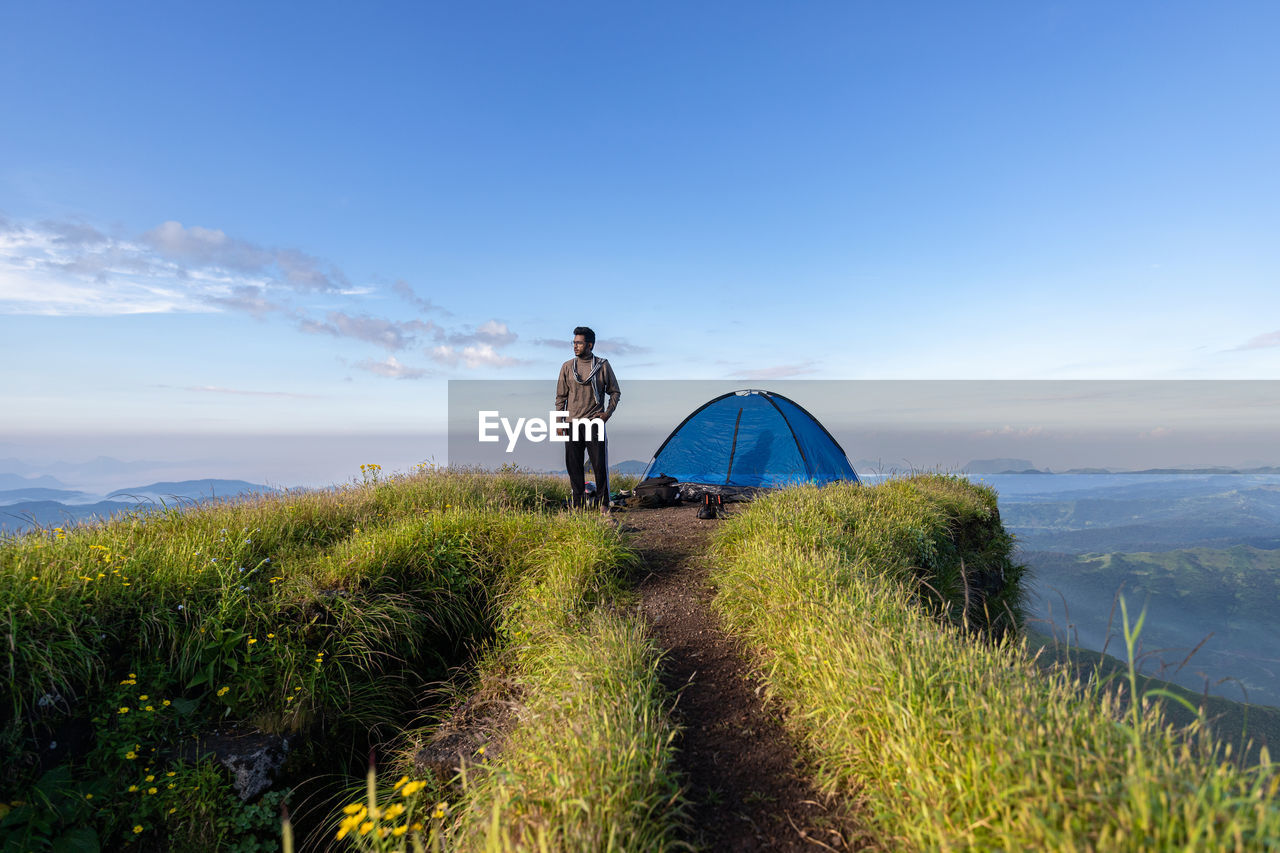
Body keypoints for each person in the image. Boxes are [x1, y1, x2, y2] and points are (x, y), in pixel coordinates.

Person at [555, 326, 620, 512]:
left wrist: (607, 413)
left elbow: (615, 391)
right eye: (574, 342)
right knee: (574, 467)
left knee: (599, 466)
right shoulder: (567, 367)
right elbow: (561, 397)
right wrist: (559, 422)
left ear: (589, 345)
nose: (575, 346)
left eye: (579, 343)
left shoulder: (602, 365)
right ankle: (578, 506)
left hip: (594, 423)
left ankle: (603, 505)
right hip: (572, 423)